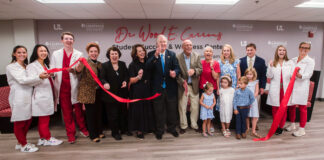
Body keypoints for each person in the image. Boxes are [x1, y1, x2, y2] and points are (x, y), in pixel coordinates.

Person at [6, 45, 49, 152]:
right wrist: (39, 76)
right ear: (14, 54)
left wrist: (44, 77)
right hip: (19, 97)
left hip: (29, 96)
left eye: (24, 52)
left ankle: (20, 142)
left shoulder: (26, 66)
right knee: (19, 121)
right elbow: (22, 80)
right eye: (19, 52)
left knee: (27, 121)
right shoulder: (11, 67)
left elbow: (32, 81)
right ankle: (24, 145)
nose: (22, 54)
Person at [50, 32, 88, 143]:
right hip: (62, 88)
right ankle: (70, 134)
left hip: (75, 86)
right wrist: (51, 74)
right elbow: (53, 68)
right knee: (67, 113)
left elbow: (80, 71)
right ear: (62, 40)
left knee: (79, 111)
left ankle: (83, 129)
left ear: (73, 41)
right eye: (66, 39)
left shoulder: (79, 54)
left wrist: (75, 70)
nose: (68, 40)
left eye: (71, 39)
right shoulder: (56, 54)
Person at [28, 44, 63, 146]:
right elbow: (31, 81)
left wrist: (51, 74)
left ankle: (42, 138)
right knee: (44, 119)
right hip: (41, 96)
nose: (44, 53)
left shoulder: (45, 65)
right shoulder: (32, 66)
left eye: (45, 51)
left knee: (44, 119)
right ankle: (47, 138)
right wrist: (40, 77)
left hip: (47, 94)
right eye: (41, 51)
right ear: (36, 53)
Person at [146, 34, 180, 140]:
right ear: (157, 44)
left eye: (164, 42)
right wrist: (155, 56)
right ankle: (159, 130)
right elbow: (147, 67)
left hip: (170, 88)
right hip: (157, 88)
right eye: (161, 42)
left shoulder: (172, 54)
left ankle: (172, 128)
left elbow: (177, 68)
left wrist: (175, 72)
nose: (163, 44)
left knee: (171, 110)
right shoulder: (151, 54)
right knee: (158, 110)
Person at [75, 42, 105, 143]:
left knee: (99, 113)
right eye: (91, 51)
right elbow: (77, 70)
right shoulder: (84, 62)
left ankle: (99, 131)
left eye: (95, 51)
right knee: (90, 114)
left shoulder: (100, 64)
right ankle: (93, 135)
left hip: (98, 92)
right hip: (88, 92)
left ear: (98, 53)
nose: (94, 53)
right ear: (88, 53)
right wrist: (79, 65)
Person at [100, 46, 129, 141]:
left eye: (116, 54)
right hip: (110, 96)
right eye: (112, 54)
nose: (114, 55)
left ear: (118, 55)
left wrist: (125, 81)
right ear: (109, 55)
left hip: (122, 94)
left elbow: (126, 76)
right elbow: (102, 78)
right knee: (113, 115)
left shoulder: (123, 64)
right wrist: (105, 83)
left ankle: (124, 129)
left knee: (123, 113)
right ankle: (115, 132)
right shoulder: (104, 66)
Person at [286, 42, 315, 137]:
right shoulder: (293, 60)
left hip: (302, 86)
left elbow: (309, 74)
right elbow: (288, 71)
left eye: (307, 48)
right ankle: (292, 124)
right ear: (299, 48)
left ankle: (302, 129)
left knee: (302, 108)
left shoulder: (310, 61)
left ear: (309, 50)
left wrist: (300, 75)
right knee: (291, 106)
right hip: (292, 86)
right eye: (302, 47)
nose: (304, 49)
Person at [265, 45, 295, 135]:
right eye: (280, 50)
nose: (281, 52)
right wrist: (270, 67)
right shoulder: (273, 62)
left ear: (285, 52)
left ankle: (281, 127)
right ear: (277, 52)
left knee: (283, 109)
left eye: (283, 50)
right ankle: (275, 125)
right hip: (275, 89)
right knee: (275, 108)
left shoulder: (290, 62)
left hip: (286, 90)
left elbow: (292, 76)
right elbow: (269, 76)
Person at [128, 44, 155, 139]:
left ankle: (148, 128)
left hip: (148, 88)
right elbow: (131, 80)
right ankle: (139, 131)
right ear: (135, 53)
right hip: (138, 90)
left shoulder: (148, 61)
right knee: (139, 110)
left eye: (143, 50)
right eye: (139, 51)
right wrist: (138, 77)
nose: (142, 52)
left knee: (147, 108)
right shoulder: (132, 64)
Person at [176, 39, 202, 134]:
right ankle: (183, 126)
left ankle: (194, 125)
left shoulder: (197, 55)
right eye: (186, 45)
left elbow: (200, 69)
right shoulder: (177, 57)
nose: (188, 47)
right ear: (182, 47)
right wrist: (182, 81)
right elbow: (176, 72)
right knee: (182, 107)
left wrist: (194, 71)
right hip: (183, 86)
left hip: (194, 86)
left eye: (190, 45)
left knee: (195, 107)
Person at [199, 46, 220, 133]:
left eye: (210, 51)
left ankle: (210, 124)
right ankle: (203, 125)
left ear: (212, 54)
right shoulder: (200, 62)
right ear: (204, 53)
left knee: (211, 108)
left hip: (212, 90)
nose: (208, 53)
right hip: (202, 89)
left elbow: (216, 77)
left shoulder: (215, 63)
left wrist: (212, 68)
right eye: (206, 51)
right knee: (203, 107)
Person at [244, 68, 261, 138]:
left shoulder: (256, 82)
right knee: (247, 115)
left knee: (254, 116)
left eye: (250, 74)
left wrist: (251, 99)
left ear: (253, 75)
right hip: (245, 101)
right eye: (247, 74)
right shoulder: (244, 82)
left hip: (253, 101)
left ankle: (253, 131)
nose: (248, 76)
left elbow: (256, 92)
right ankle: (247, 128)